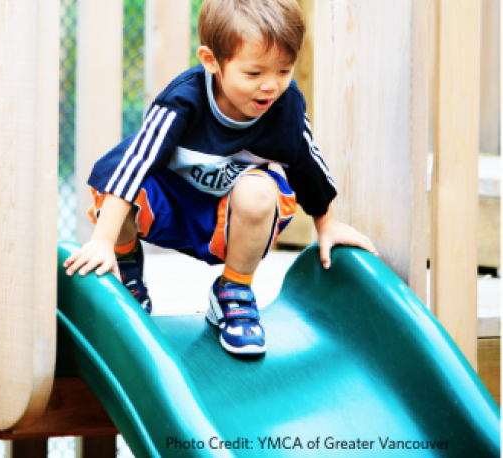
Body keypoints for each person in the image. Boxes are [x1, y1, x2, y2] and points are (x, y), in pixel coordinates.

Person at [63, 0, 377, 355]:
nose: (271, 87)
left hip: (228, 220)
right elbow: (135, 162)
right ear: (211, 61)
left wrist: (327, 224)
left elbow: (308, 163)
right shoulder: (184, 101)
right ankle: (127, 268)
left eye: (284, 71)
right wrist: (104, 240)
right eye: (254, 74)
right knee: (115, 188)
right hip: (171, 208)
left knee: (261, 191)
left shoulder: (285, 107)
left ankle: (234, 291)